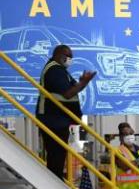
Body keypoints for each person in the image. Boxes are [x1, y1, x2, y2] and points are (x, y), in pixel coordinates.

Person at [36, 45, 95, 180]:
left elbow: (74, 88)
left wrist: (83, 83)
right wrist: (83, 82)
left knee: (59, 154)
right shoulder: (54, 70)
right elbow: (68, 94)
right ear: (58, 55)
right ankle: (54, 183)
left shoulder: (61, 71)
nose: (70, 59)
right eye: (68, 56)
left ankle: (56, 179)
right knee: (56, 154)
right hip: (53, 119)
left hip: (59, 120)